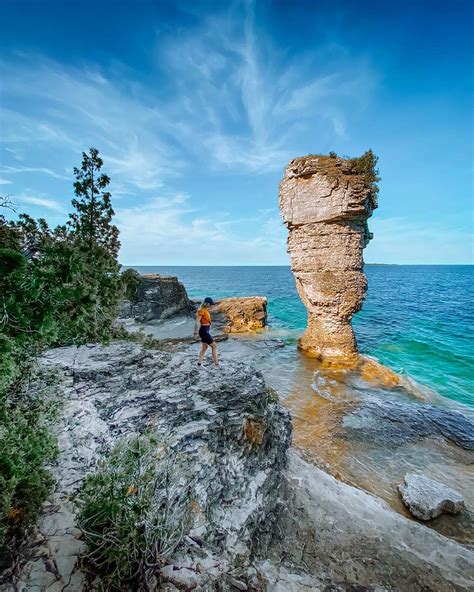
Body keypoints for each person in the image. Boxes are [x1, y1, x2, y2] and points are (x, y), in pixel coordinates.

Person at [194, 297, 219, 367]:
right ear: (207, 304)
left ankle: (199, 364)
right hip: (204, 331)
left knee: (204, 347)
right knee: (214, 346)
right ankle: (217, 365)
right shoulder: (201, 311)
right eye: (210, 304)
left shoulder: (205, 310)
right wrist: (195, 333)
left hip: (205, 331)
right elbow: (197, 322)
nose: (211, 306)